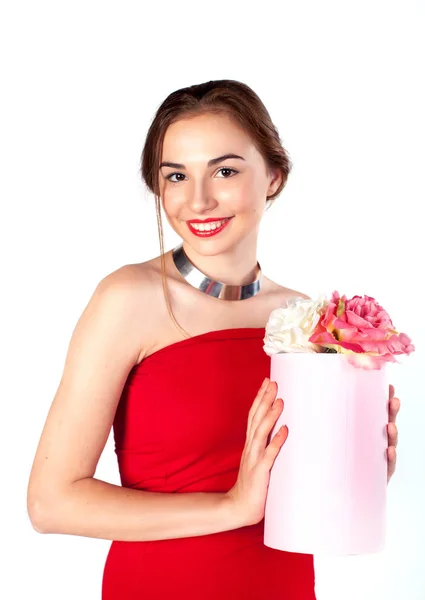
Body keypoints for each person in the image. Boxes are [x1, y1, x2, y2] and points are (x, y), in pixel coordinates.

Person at [27, 79, 400, 600]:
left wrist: (356, 465)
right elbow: (51, 504)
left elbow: (301, 502)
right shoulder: (129, 298)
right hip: (161, 585)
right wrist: (231, 506)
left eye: (224, 171)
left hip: (281, 586)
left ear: (273, 175)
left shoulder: (302, 316)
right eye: (176, 175)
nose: (198, 200)